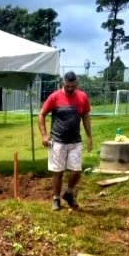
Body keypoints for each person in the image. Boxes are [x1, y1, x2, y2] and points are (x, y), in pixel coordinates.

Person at [37, 71, 93, 211]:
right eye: (67, 86)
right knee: (58, 172)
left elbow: (85, 116)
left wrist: (89, 136)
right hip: (58, 141)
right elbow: (41, 114)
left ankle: (68, 193)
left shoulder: (82, 97)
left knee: (77, 170)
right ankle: (56, 199)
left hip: (75, 141)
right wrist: (44, 135)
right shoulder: (55, 97)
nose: (69, 89)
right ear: (63, 83)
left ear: (77, 84)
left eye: (72, 86)